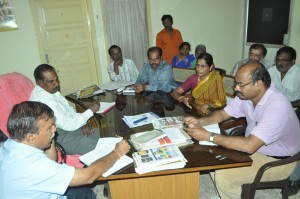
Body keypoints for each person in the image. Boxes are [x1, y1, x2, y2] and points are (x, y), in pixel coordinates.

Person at [183, 61, 300, 199]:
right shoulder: (247, 96)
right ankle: (225, 194)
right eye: (236, 84)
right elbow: (222, 114)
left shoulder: (277, 106)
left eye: (241, 85)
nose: (236, 88)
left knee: (225, 177)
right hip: (255, 146)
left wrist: (209, 136)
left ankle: (227, 191)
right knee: (211, 159)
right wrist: (200, 121)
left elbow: (249, 146)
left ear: (259, 83)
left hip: (278, 161)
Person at [0, 101, 130, 199]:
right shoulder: (33, 166)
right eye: (49, 128)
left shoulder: (9, 145)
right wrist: (117, 152)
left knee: (84, 192)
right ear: (30, 136)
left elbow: (52, 161)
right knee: (86, 189)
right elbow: (88, 176)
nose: (54, 130)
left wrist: (49, 137)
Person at [29, 64, 100, 155]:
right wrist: (91, 111)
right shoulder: (44, 99)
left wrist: (82, 124)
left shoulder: (50, 90)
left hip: (66, 126)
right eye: (51, 81)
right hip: (56, 136)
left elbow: (68, 109)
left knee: (103, 136)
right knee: (99, 149)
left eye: (56, 79)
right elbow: (68, 124)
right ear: (40, 82)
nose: (57, 84)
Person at [268, 46, 300, 195]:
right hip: (274, 111)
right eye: (278, 59)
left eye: (284, 60)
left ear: (292, 61)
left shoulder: (298, 74)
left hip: (295, 111)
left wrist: (287, 106)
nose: (280, 63)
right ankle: (270, 171)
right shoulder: (271, 71)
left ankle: (295, 179)